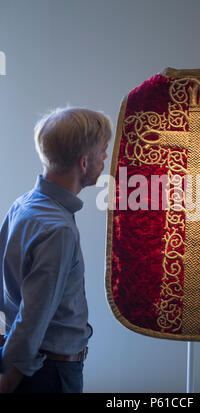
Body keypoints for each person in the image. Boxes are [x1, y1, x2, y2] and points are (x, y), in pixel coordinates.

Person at [0, 107, 112, 393]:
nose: (106, 158)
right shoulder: (58, 229)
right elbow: (33, 317)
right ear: (84, 162)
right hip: (47, 374)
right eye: (103, 151)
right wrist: (10, 379)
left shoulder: (23, 204)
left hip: (31, 364)